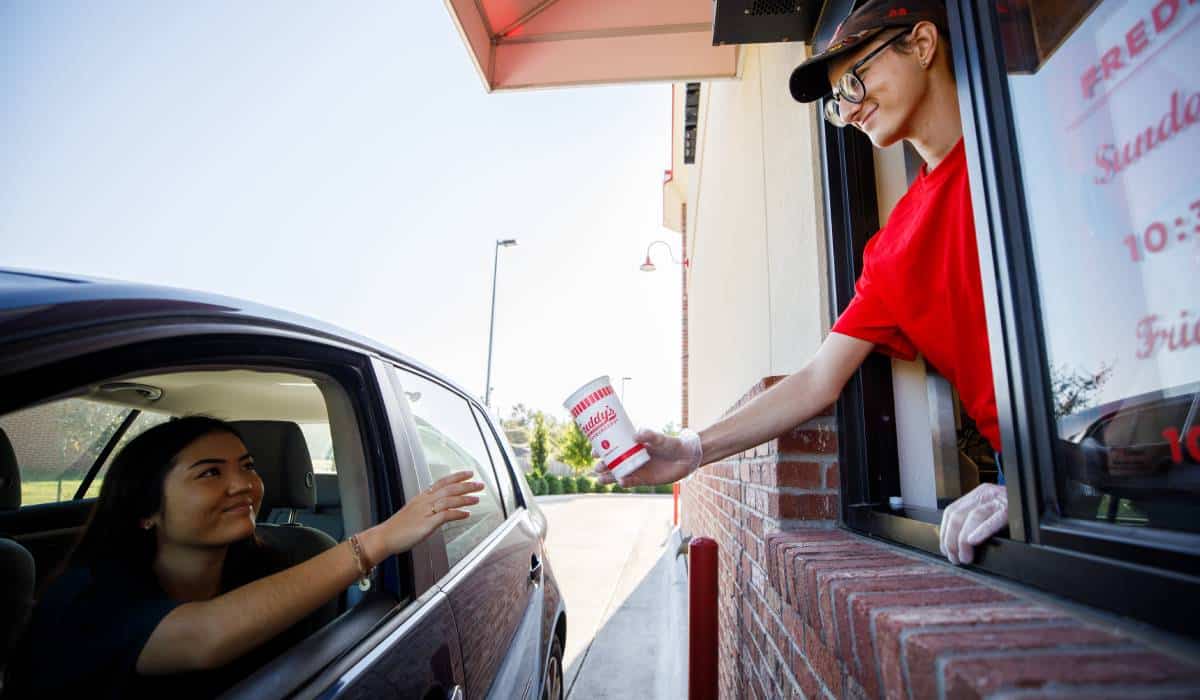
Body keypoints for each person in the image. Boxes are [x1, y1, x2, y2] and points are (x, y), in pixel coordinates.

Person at [596, 0, 1008, 567]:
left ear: (921, 45)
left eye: (857, 80)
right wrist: (691, 450)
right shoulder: (891, 249)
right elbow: (817, 380)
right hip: (1038, 487)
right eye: (840, 101)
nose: (850, 108)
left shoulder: (1022, 145)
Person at [14, 416, 483, 698]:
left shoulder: (280, 569)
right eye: (209, 473)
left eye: (247, 466)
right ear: (145, 511)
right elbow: (204, 637)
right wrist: (380, 539)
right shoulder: (85, 601)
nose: (242, 485)